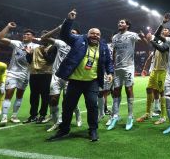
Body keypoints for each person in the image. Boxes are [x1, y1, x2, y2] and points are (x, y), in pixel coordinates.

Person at [47, 9, 113, 142]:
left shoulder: (104, 47)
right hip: (75, 81)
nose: (95, 35)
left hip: (92, 81)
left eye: (97, 34)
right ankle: (64, 130)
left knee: (92, 105)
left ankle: (93, 130)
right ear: (87, 34)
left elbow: (108, 61)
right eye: (92, 33)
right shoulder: (78, 40)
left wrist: (110, 72)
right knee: (68, 106)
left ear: (100, 36)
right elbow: (65, 35)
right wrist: (69, 20)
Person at [40, 26, 82, 132]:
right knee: (53, 100)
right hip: (56, 76)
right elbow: (43, 38)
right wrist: (58, 28)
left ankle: (77, 114)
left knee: (69, 101)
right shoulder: (60, 43)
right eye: (70, 32)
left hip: (71, 77)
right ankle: (56, 122)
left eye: (74, 33)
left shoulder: (80, 46)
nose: (72, 34)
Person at [107, 19, 147, 131]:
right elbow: (114, 51)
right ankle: (115, 116)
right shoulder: (115, 37)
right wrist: (112, 65)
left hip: (128, 67)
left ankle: (130, 116)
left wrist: (143, 37)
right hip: (117, 68)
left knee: (129, 89)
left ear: (127, 25)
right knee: (116, 90)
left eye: (122, 22)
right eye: (119, 22)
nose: (120, 24)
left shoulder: (132, 35)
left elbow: (145, 44)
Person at [0, 23, 39, 126]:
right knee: (9, 94)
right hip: (12, 72)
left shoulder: (36, 46)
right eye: (24, 34)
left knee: (19, 96)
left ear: (32, 37)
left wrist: (32, 51)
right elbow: (0, 38)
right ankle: (4, 117)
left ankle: (14, 116)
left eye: (28, 34)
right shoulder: (16, 43)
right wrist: (8, 27)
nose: (25, 35)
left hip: (25, 74)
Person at [137, 28, 170, 125]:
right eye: (163, 29)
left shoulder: (169, 41)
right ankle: (148, 113)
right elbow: (149, 42)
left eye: (166, 30)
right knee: (149, 89)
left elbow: (162, 48)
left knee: (162, 92)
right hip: (154, 70)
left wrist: (151, 39)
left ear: (169, 33)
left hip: (162, 70)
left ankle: (163, 116)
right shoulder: (158, 41)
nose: (164, 30)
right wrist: (145, 37)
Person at [23, 35, 55, 124]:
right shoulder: (36, 49)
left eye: (46, 38)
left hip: (46, 74)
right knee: (33, 96)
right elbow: (29, 61)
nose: (43, 40)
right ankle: (33, 115)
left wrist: (44, 52)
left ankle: (42, 115)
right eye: (43, 38)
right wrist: (28, 54)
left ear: (49, 39)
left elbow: (50, 61)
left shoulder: (53, 48)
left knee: (45, 96)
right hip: (34, 74)